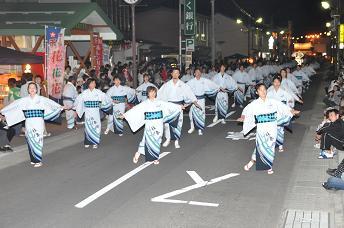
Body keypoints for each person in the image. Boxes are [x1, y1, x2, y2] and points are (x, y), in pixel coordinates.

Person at [237, 83, 300, 174]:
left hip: (272, 128)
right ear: (257, 92)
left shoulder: (273, 101)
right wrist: (243, 117)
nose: (263, 91)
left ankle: (269, 166)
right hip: (262, 129)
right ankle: (251, 162)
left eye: (264, 89)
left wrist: (292, 111)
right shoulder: (254, 104)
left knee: (270, 146)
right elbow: (246, 111)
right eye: (260, 90)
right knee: (260, 146)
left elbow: (283, 107)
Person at [1, 82, 63, 167]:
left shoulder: (41, 99)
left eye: (34, 87)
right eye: (30, 88)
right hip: (29, 122)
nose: (32, 89)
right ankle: (33, 159)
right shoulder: (24, 100)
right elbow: (14, 106)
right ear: (28, 90)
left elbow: (51, 103)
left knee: (38, 140)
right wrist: (3, 111)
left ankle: (38, 160)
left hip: (38, 122)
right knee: (30, 139)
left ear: (37, 90)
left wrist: (60, 107)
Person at [122, 86, 182, 164]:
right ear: (148, 93)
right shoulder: (145, 103)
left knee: (158, 140)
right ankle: (138, 153)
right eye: (150, 92)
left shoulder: (160, 102)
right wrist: (125, 115)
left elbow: (169, 105)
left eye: (154, 92)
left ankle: (155, 157)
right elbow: (135, 110)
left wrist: (179, 107)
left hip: (159, 124)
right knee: (146, 140)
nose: (152, 94)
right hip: (150, 125)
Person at [157, 68, 199, 149]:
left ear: (179, 74)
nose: (175, 74)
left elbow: (189, 93)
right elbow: (160, 94)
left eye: (177, 73)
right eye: (174, 73)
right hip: (169, 106)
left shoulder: (183, 85)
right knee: (167, 124)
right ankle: (168, 139)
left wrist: (194, 101)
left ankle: (176, 140)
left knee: (178, 123)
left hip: (179, 106)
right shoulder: (167, 84)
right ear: (171, 74)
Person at [74, 78, 112, 149]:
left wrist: (111, 101)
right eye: (92, 83)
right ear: (88, 84)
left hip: (95, 112)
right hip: (88, 112)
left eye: (94, 83)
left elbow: (105, 97)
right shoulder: (85, 93)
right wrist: (73, 106)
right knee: (88, 127)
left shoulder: (98, 92)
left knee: (96, 126)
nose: (93, 84)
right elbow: (78, 100)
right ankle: (88, 141)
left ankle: (95, 142)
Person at [267, 76, 303, 152]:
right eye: (275, 82)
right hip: (272, 112)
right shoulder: (269, 92)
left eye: (278, 82)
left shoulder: (284, 92)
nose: (276, 83)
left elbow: (290, 100)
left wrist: (290, 109)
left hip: (281, 112)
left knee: (280, 129)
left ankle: (280, 145)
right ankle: (272, 144)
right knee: (272, 129)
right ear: (273, 83)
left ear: (280, 83)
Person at [186, 68, 219, 135]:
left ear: (200, 73)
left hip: (201, 100)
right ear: (194, 74)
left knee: (201, 114)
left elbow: (212, 84)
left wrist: (218, 87)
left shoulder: (204, 80)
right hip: (194, 100)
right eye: (196, 72)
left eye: (199, 72)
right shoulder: (191, 81)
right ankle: (192, 127)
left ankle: (200, 129)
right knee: (191, 114)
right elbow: (185, 88)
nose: (198, 73)